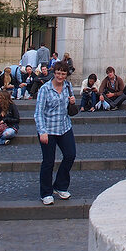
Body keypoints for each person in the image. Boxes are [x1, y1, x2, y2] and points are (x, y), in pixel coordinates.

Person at [34, 62, 76, 205]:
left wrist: (72, 102)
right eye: (58, 73)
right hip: (48, 129)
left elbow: (71, 109)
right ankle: (46, 192)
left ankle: (60, 185)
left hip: (64, 127)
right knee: (48, 161)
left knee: (70, 155)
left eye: (63, 74)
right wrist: (42, 131)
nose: (60, 76)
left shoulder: (68, 87)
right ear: (54, 72)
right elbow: (38, 112)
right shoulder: (45, 89)